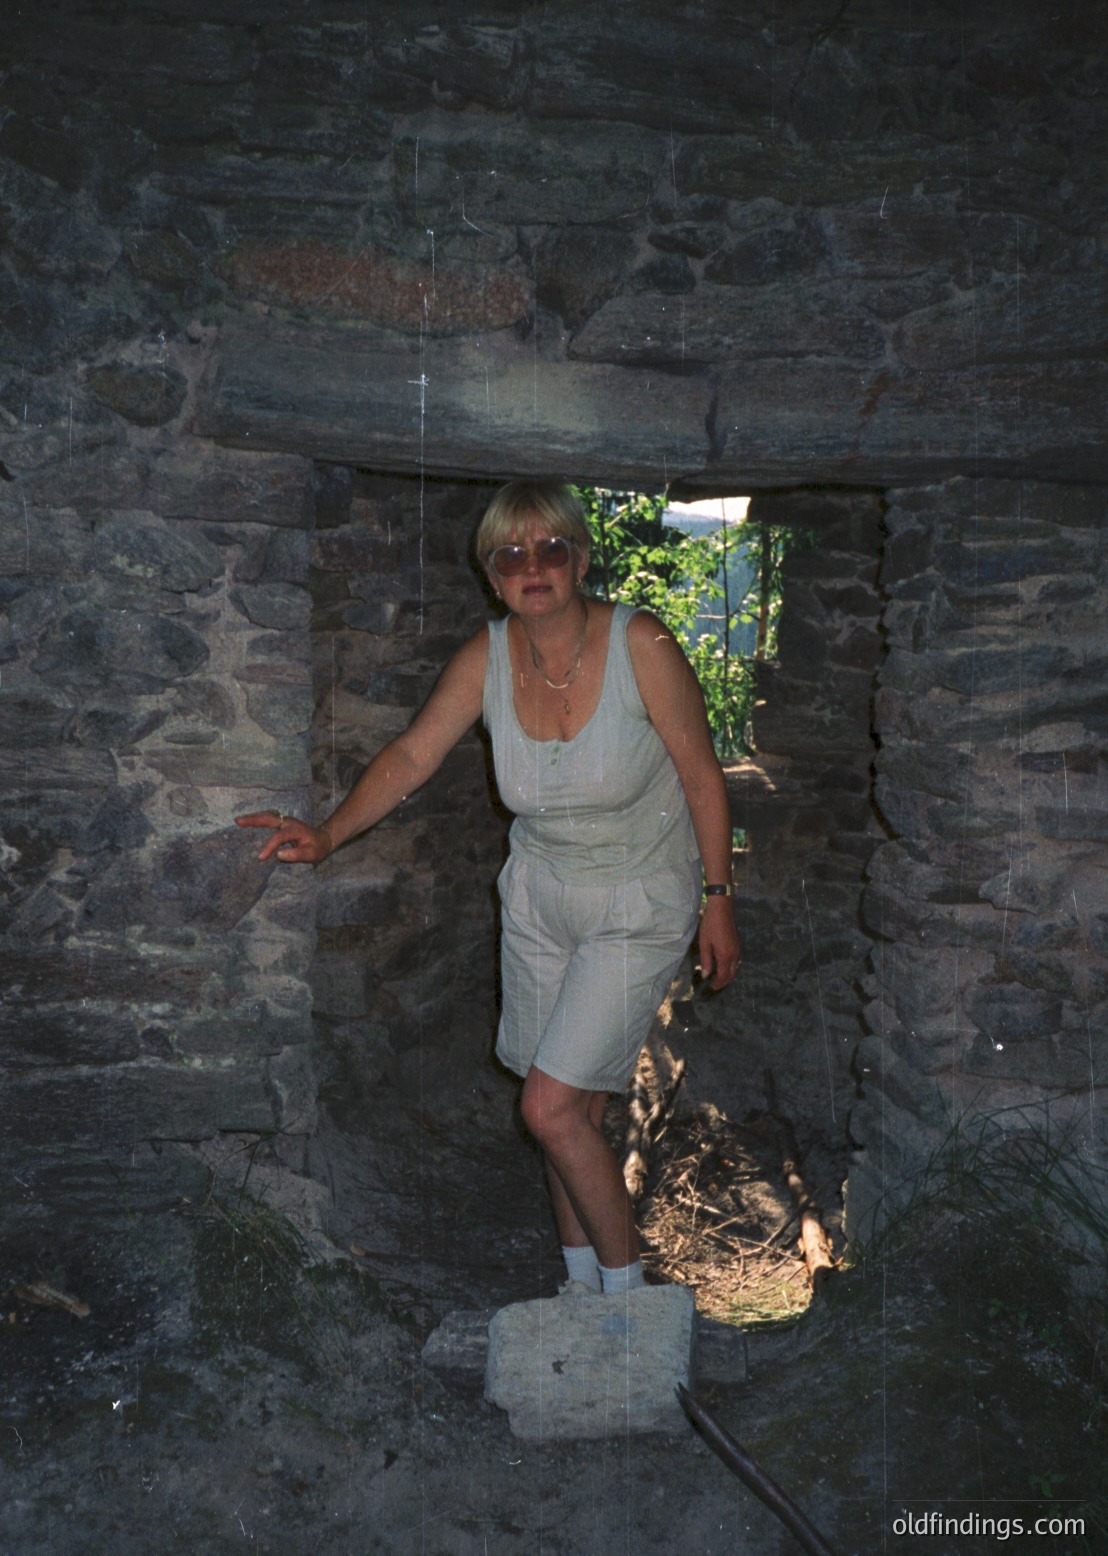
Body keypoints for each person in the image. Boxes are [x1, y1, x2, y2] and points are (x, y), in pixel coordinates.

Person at [237, 480, 741, 1296]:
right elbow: (409, 757)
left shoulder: (640, 645)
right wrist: (327, 833)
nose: (532, 566)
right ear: (492, 574)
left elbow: (704, 779)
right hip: (542, 898)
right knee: (571, 1115)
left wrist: (719, 898)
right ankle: (582, 1288)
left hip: (638, 896)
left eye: (551, 549)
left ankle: (628, 1307)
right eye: (512, 554)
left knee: (544, 1107)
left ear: (580, 559)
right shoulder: (486, 658)